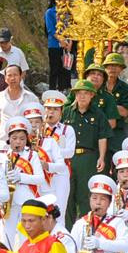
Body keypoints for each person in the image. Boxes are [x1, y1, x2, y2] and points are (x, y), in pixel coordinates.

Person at [61, 79, 109, 227]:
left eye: (86, 94)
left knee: (85, 195)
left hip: (88, 157)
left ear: (92, 96)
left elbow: (102, 136)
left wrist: (101, 157)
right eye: (79, 93)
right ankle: (67, 230)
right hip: (68, 157)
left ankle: (86, 229)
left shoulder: (98, 114)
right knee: (67, 195)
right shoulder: (66, 112)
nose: (82, 97)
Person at [39, 90, 76, 224]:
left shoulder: (67, 130)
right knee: (43, 207)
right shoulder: (39, 130)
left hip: (60, 172)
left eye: (55, 109)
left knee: (59, 208)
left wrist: (51, 151)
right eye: (48, 109)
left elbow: (70, 152)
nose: (51, 112)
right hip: (42, 172)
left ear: (61, 112)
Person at [0, 64, 40, 149]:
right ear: (5, 78)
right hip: (4, 143)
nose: (13, 78)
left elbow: (38, 121)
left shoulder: (31, 98)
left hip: (26, 143)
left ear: (21, 77)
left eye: (15, 75)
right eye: (9, 75)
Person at [44, 0, 71, 91]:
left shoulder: (67, 11)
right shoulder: (50, 12)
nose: (64, 0)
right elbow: (50, 29)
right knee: (55, 68)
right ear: (56, 0)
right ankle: (52, 89)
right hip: (54, 45)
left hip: (66, 44)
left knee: (65, 68)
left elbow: (69, 27)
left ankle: (63, 89)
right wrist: (61, 40)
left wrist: (69, 42)